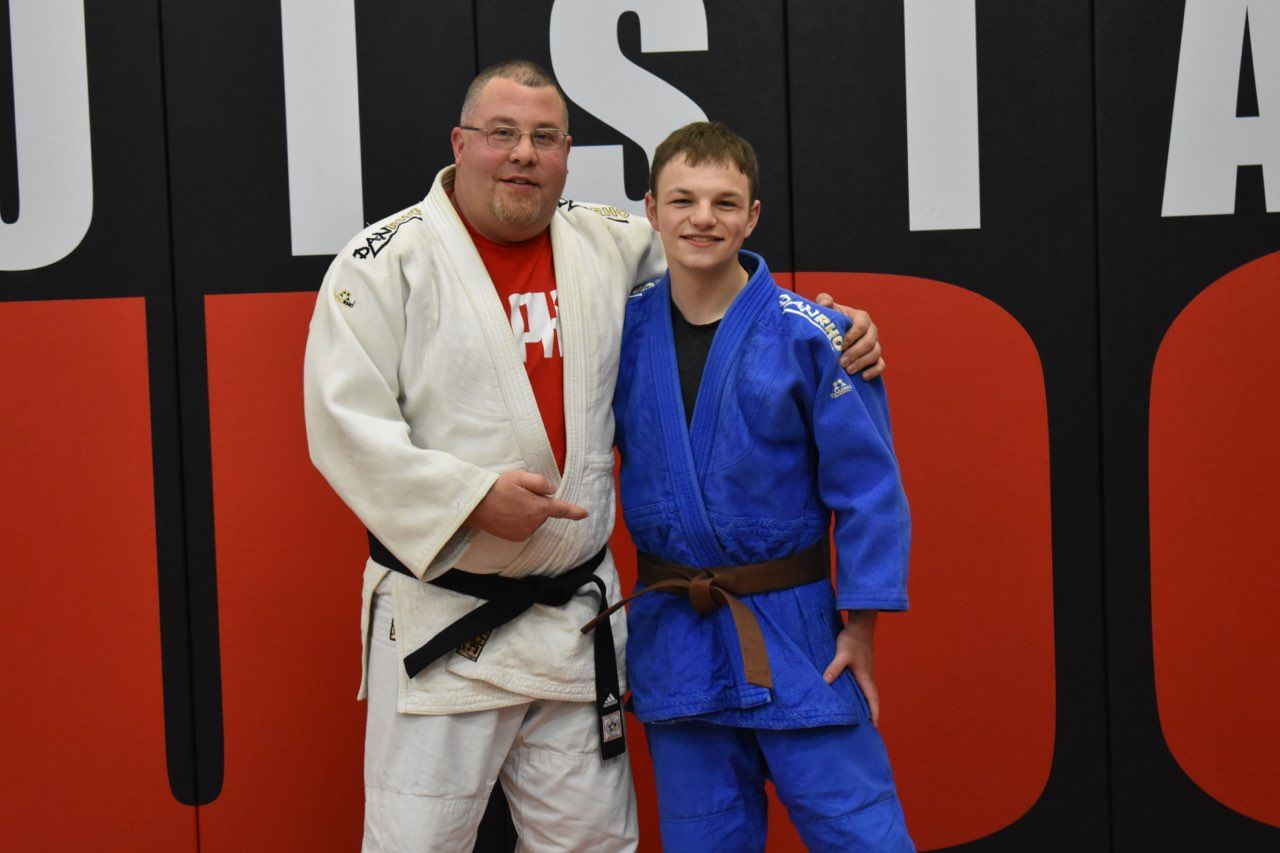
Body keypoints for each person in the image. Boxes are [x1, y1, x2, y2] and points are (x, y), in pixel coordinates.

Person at [303, 61, 885, 852]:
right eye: (501, 134)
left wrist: (832, 322)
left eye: (544, 138)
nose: (522, 154)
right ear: (460, 143)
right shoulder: (381, 265)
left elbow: (715, 265)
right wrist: (471, 499)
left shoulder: (607, 241)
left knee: (589, 846)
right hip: (446, 625)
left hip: (574, 626)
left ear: (568, 152)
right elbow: (345, 426)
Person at [603, 121, 914, 851]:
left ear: (753, 216)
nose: (702, 218)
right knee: (703, 839)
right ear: (651, 210)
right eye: (683, 200)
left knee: (860, 832)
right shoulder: (617, 333)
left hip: (798, 629)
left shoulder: (815, 335)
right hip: (676, 629)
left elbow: (870, 492)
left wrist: (860, 630)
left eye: (724, 202)